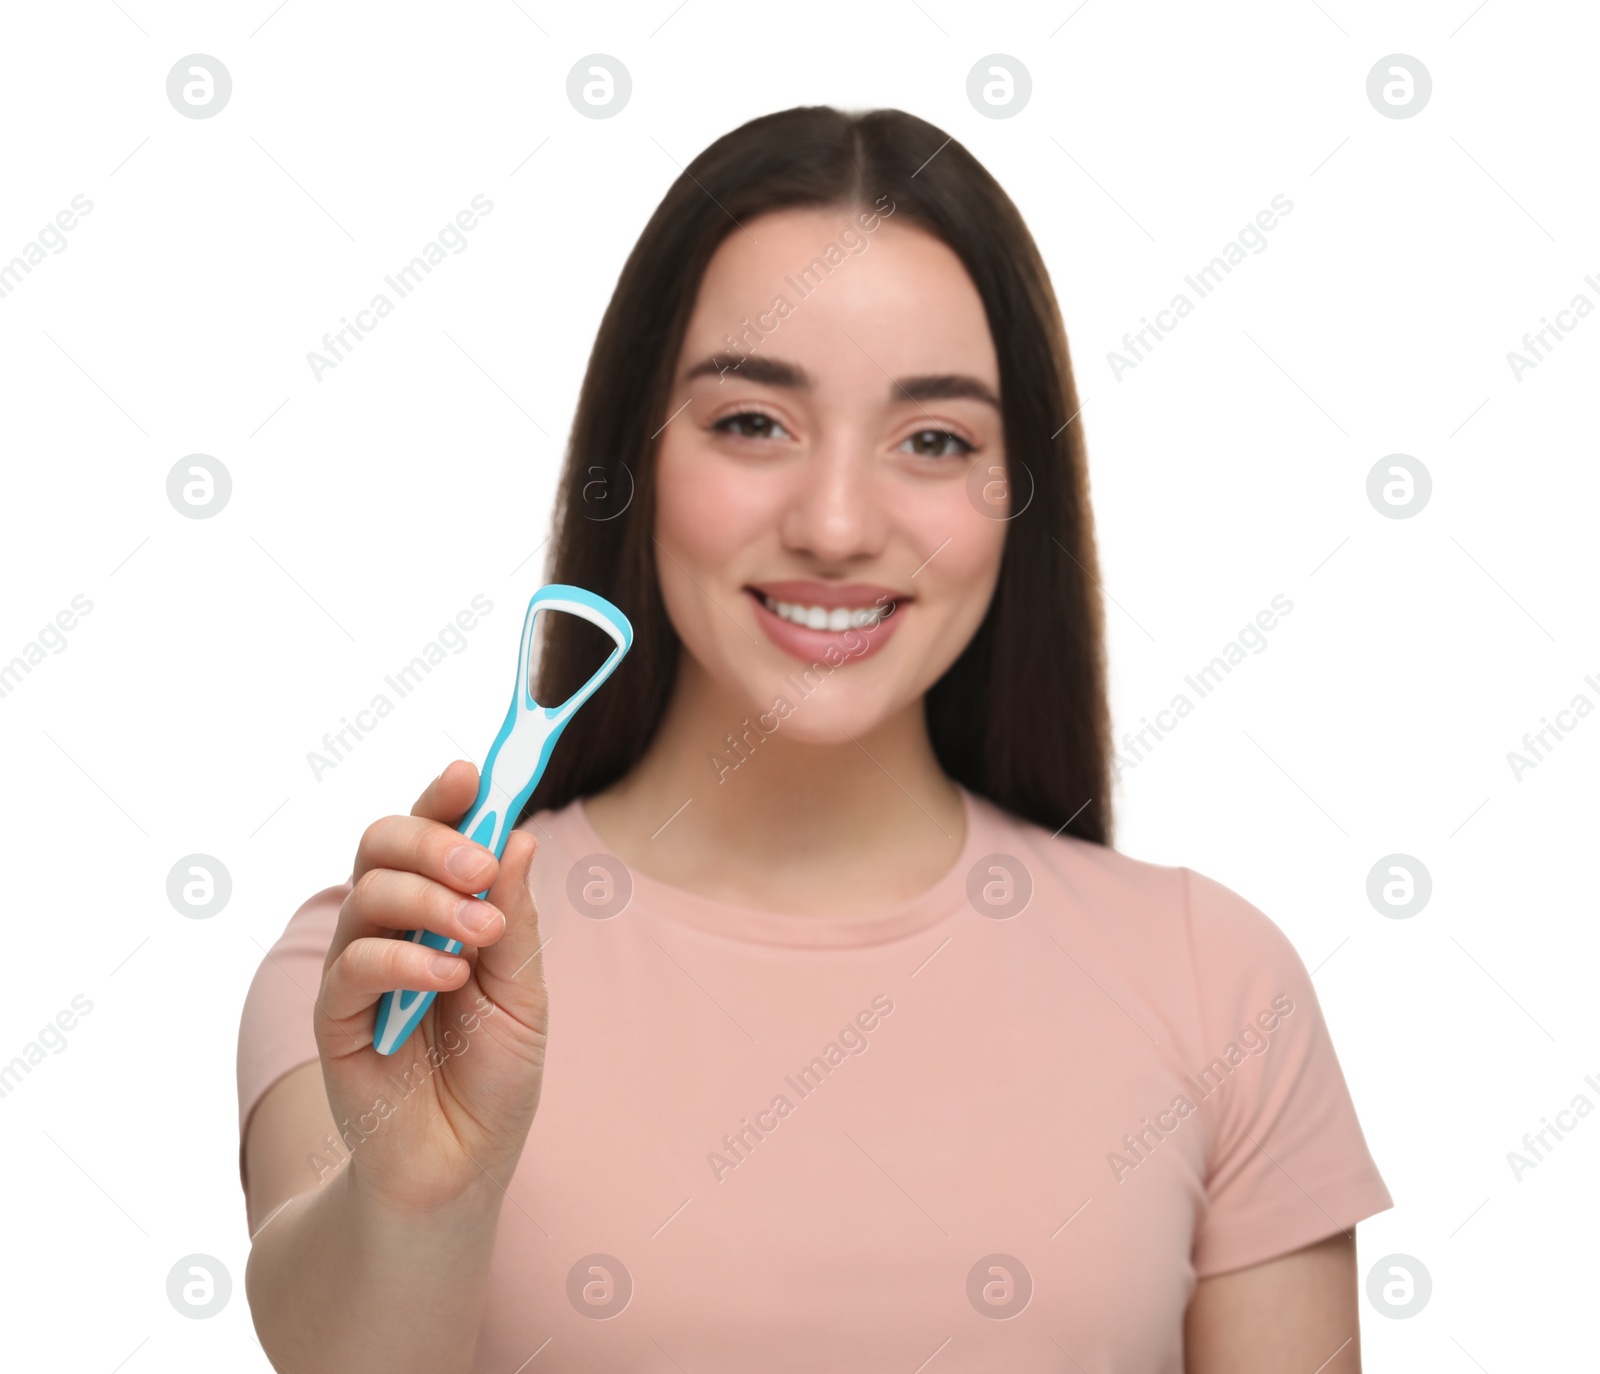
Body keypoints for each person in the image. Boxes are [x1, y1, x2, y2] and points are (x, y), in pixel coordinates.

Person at [237, 105, 1392, 1373]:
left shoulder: (1215, 983)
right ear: (637, 458)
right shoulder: (391, 979)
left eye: (934, 440)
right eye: (752, 423)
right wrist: (417, 1202)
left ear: (1021, 497)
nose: (836, 523)